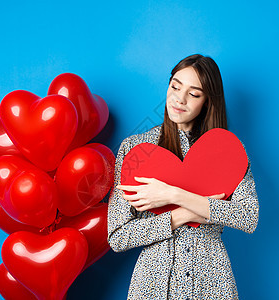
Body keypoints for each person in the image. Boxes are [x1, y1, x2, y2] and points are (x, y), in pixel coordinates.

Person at [107, 54, 259, 299]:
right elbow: (119, 236)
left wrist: (171, 194)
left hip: (212, 282)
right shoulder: (136, 149)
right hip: (153, 284)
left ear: (208, 101)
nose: (179, 99)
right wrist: (184, 214)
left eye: (194, 93)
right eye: (175, 86)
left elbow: (248, 216)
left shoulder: (229, 151)